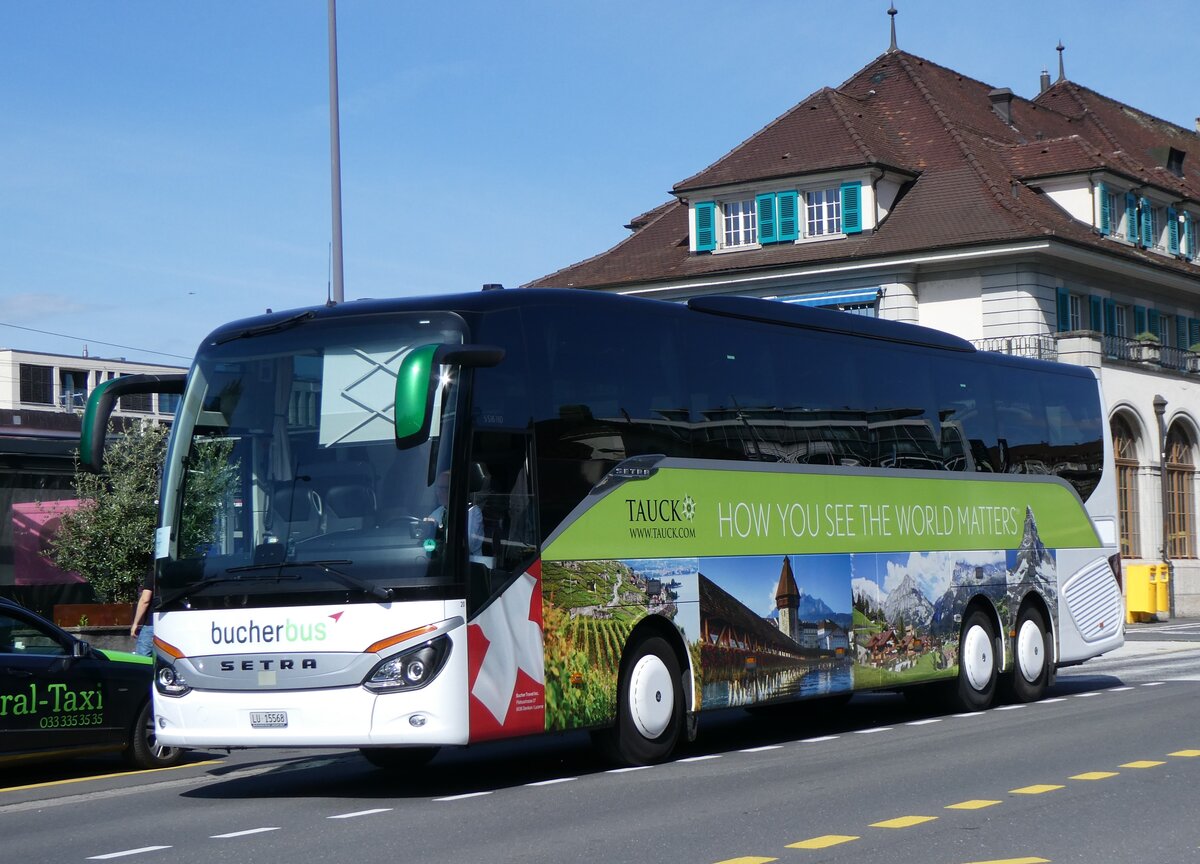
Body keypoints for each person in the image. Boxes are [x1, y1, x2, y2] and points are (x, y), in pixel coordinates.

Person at [427, 471, 484, 557]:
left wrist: (438, 530)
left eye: (443, 488)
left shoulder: (472, 511)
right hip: (442, 561)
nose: (438, 493)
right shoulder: (440, 511)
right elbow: (428, 537)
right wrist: (426, 527)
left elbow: (465, 544)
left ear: (454, 490)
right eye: (437, 488)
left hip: (466, 564)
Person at [130, 571, 154, 656]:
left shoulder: (154, 573)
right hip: (174, 621)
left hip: (152, 623)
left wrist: (135, 623)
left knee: (142, 658)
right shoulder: (179, 572)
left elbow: (145, 600)